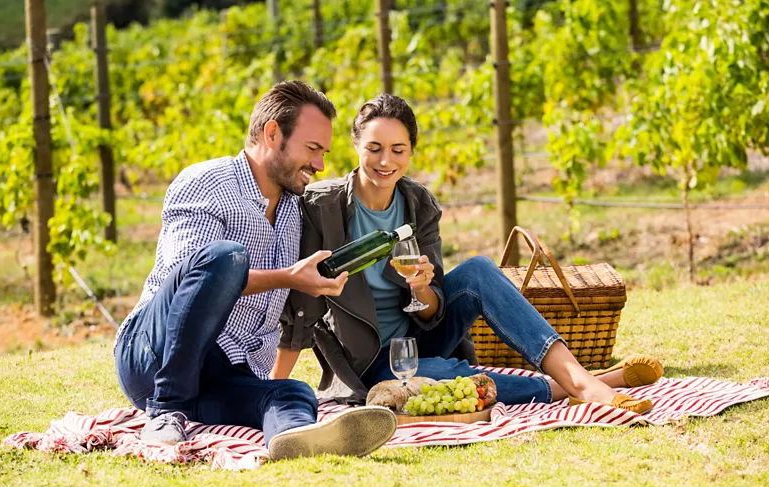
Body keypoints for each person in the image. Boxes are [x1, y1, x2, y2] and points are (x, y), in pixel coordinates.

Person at [276, 93, 662, 413]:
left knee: (477, 269)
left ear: (411, 151)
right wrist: (274, 388)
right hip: (371, 362)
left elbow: (433, 312)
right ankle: (583, 386)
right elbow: (301, 305)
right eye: (373, 148)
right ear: (356, 146)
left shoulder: (418, 203)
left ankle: (578, 378)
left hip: (420, 337)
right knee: (441, 377)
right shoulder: (320, 207)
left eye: (398, 149)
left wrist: (424, 288)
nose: (384, 161)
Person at [114, 81, 397, 461]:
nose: (320, 165)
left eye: (324, 153)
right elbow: (185, 277)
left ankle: (298, 440)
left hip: (222, 373)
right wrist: (287, 277)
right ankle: (166, 411)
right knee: (226, 258)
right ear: (272, 133)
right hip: (154, 355)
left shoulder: (293, 208)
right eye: (312, 149)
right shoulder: (207, 183)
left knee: (292, 392)